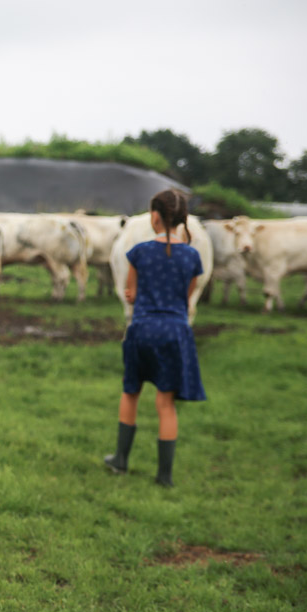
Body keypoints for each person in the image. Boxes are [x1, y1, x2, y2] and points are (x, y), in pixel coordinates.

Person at [105, 188, 206, 487]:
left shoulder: (140, 251)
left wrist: (132, 294)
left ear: (155, 216)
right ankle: (164, 476)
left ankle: (121, 460)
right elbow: (188, 297)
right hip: (175, 331)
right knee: (165, 403)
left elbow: (132, 294)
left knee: (131, 392)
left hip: (143, 329)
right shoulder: (192, 256)